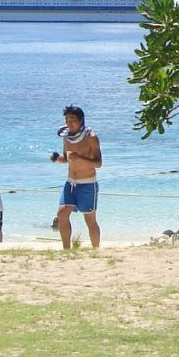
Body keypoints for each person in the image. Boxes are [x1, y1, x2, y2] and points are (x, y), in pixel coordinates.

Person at [51, 104, 102, 250]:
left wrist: (80, 157)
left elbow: (98, 163)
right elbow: (67, 159)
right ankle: (67, 249)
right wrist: (57, 159)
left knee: (90, 220)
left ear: (81, 120)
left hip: (87, 184)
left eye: (72, 119)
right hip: (70, 183)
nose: (69, 122)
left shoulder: (91, 137)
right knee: (62, 214)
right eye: (67, 119)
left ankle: (95, 250)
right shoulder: (66, 137)